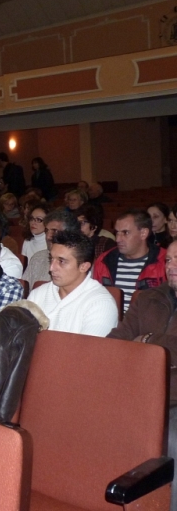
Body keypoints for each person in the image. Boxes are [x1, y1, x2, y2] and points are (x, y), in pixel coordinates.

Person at [107, 239, 177, 511]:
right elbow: (115, 341)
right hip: (136, 387)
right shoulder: (148, 298)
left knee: (171, 437)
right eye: (169, 260)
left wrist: (147, 339)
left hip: (173, 398)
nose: (172, 266)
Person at [28, 231, 117, 336]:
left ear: (84, 266)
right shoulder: (38, 294)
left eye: (61, 261)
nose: (51, 268)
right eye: (51, 259)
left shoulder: (101, 304)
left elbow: (89, 350)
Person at [93, 209, 166, 312]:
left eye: (125, 233)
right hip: (110, 322)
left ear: (143, 233)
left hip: (148, 324)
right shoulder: (104, 261)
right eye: (117, 233)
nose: (118, 239)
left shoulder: (164, 261)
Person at [22, 208, 80, 290]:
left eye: (54, 231)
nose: (48, 236)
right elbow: (23, 290)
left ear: (69, 233)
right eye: (46, 231)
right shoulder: (37, 258)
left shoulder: (78, 261)